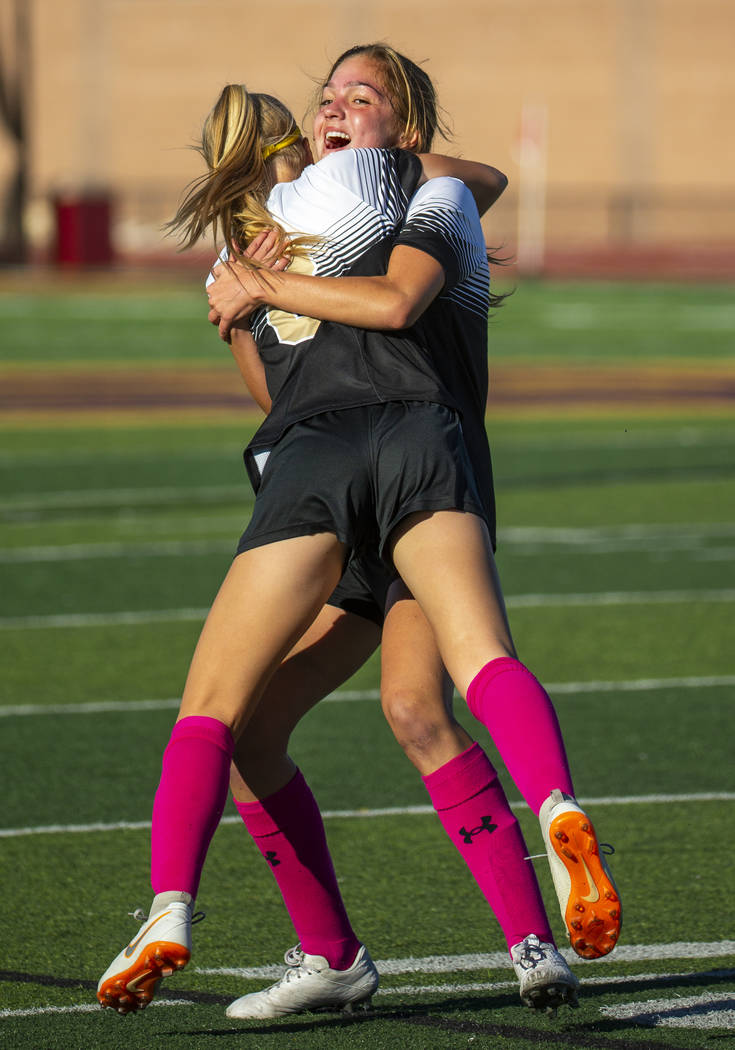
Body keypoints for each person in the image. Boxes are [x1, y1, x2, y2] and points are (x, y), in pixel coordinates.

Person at [96, 45, 619, 1022]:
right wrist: (250, 305)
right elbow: (279, 400)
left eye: (359, 99)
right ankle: (340, 951)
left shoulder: (425, 193)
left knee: (415, 707)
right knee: (277, 727)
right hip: (369, 477)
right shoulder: (283, 238)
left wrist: (267, 281)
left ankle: (532, 938)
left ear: (403, 127)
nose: (333, 110)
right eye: (324, 100)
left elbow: (410, 273)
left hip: (413, 465)